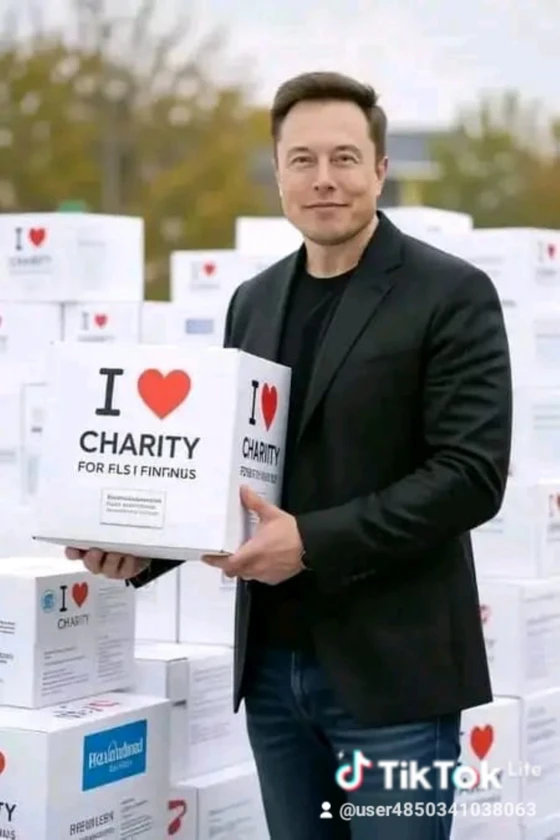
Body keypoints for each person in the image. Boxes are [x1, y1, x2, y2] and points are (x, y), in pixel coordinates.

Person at [66, 71, 512, 839]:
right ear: (277, 173)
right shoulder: (254, 300)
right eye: (302, 159)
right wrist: (141, 552)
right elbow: (231, 470)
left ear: (380, 169)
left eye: (344, 157)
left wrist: (309, 542)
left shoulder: (450, 294)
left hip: (394, 679)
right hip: (273, 676)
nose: (323, 178)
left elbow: (469, 477)